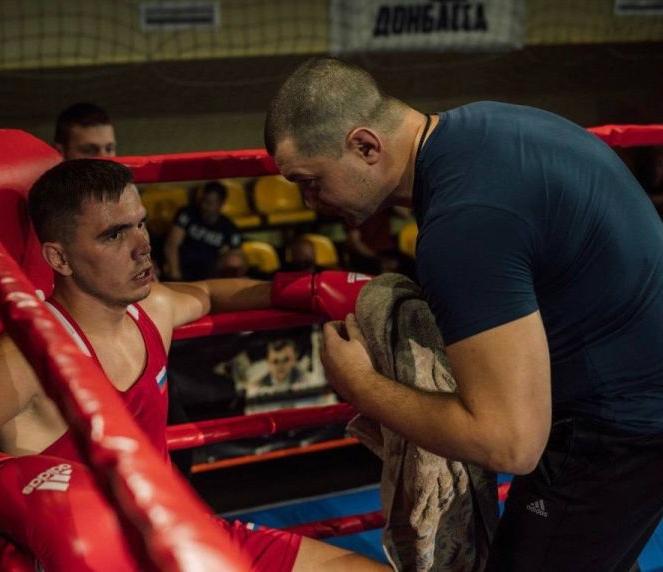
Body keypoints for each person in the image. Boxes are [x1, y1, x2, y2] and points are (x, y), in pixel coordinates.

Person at [0, 159, 384, 571]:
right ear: (59, 259)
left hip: (182, 537)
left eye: (140, 223)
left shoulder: (152, 310)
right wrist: (11, 486)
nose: (142, 244)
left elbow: (208, 293)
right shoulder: (27, 357)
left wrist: (309, 290)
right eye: (114, 235)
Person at [264, 56, 663, 571]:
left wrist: (359, 384)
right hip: (636, 400)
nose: (310, 202)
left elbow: (510, 444)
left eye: (310, 180)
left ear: (365, 146)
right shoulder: (487, 125)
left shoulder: (461, 224)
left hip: (617, 432)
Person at [164, 181, 243, 281]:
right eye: (202, 201)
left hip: (209, 272)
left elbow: (237, 257)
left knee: (235, 260)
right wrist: (175, 275)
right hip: (183, 266)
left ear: (220, 204)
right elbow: (172, 244)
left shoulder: (229, 227)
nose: (204, 206)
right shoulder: (187, 214)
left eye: (209, 203)